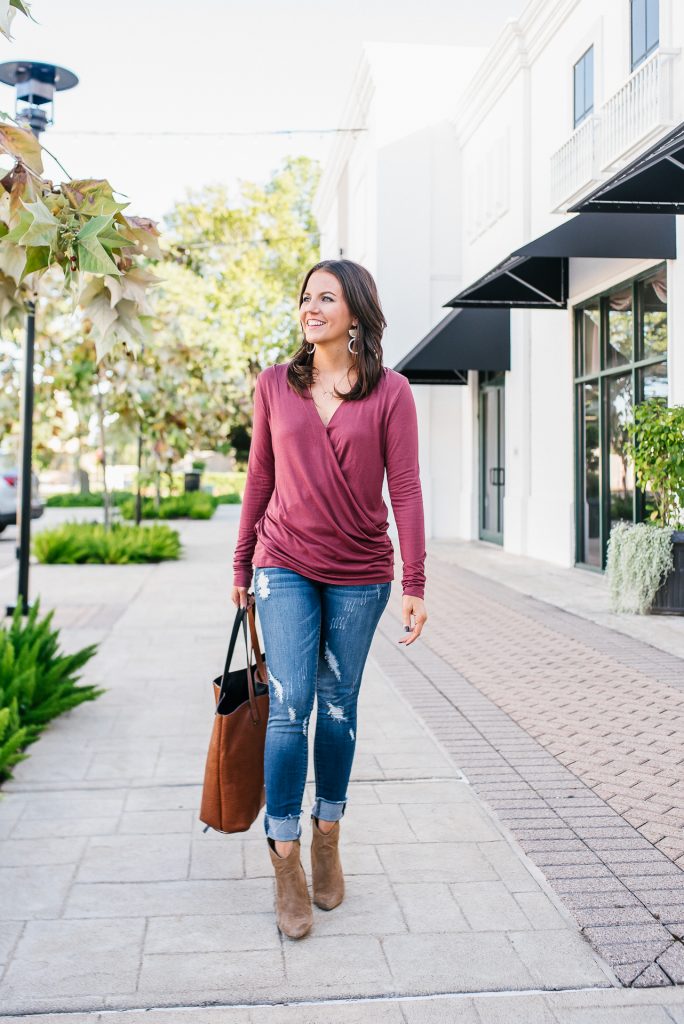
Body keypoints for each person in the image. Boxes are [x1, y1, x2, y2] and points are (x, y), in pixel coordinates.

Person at [230, 258, 428, 940]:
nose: (311, 306)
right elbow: (260, 476)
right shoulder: (274, 386)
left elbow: (404, 489)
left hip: (361, 571)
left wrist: (416, 584)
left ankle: (328, 833)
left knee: (338, 708)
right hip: (282, 562)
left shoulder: (392, 393)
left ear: (357, 314)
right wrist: (240, 564)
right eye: (306, 296)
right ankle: (284, 855)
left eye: (327, 297)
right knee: (290, 708)